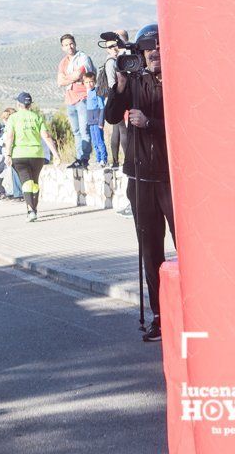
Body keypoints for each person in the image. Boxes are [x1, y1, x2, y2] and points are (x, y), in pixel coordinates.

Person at [105, 23, 174, 343]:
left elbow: (186, 122)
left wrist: (151, 123)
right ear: (142, 55)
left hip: (174, 179)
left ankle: (193, 308)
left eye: (160, 49)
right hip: (140, 178)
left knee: (186, 248)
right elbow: (110, 116)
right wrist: (118, 85)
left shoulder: (179, 80)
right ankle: (161, 316)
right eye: (150, 51)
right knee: (150, 251)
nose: (155, 55)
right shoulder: (134, 83)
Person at [5, 93, 61, 222]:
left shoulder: (13, 118)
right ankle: (33, 210)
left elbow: (9, 137)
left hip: (19, 155)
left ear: (18, 104)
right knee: (34, 183)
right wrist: (56, 154)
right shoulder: (36, 117)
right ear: (30, 104)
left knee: (26, 182)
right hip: (37, 155)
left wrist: (7, 154)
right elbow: (46, 136)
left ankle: (31, 211)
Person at [56, 33, 94, 169]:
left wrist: (70, 77)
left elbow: (79, 74)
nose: (69, 47)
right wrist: (73, 78)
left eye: (71, 43)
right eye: (66, 45)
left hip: (82, 97)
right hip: (70, 99)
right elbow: (60, 81)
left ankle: (85, 158)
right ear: (62, 47)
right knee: (76, 131)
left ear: (75, 44)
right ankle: (78, 158)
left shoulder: (83, 58)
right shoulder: (63, 62)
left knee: (85, 130)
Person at [103, 33, 128, 168]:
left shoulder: (112, 60)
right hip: (116, 98)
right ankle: (126, 159)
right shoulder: (112, 62)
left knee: (117, 130)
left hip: (114, 98)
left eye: (114, 45)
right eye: (110, 46)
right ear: (107, 49)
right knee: (122, 129)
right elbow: (113, 83)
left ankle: (116, 161)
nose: (113, 48)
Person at [83, 72, 108, 167]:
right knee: (94, 141)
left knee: (99, 140)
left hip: (97, 120)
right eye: (86, 82)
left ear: (95, 82)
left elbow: (102, 107)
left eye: (91, 82)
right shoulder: (88, 93)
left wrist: (101, 121)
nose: (89, 84)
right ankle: (98, 159)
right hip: (91, 121)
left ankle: (104, 159)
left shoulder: (97, 92)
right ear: (84, 83)